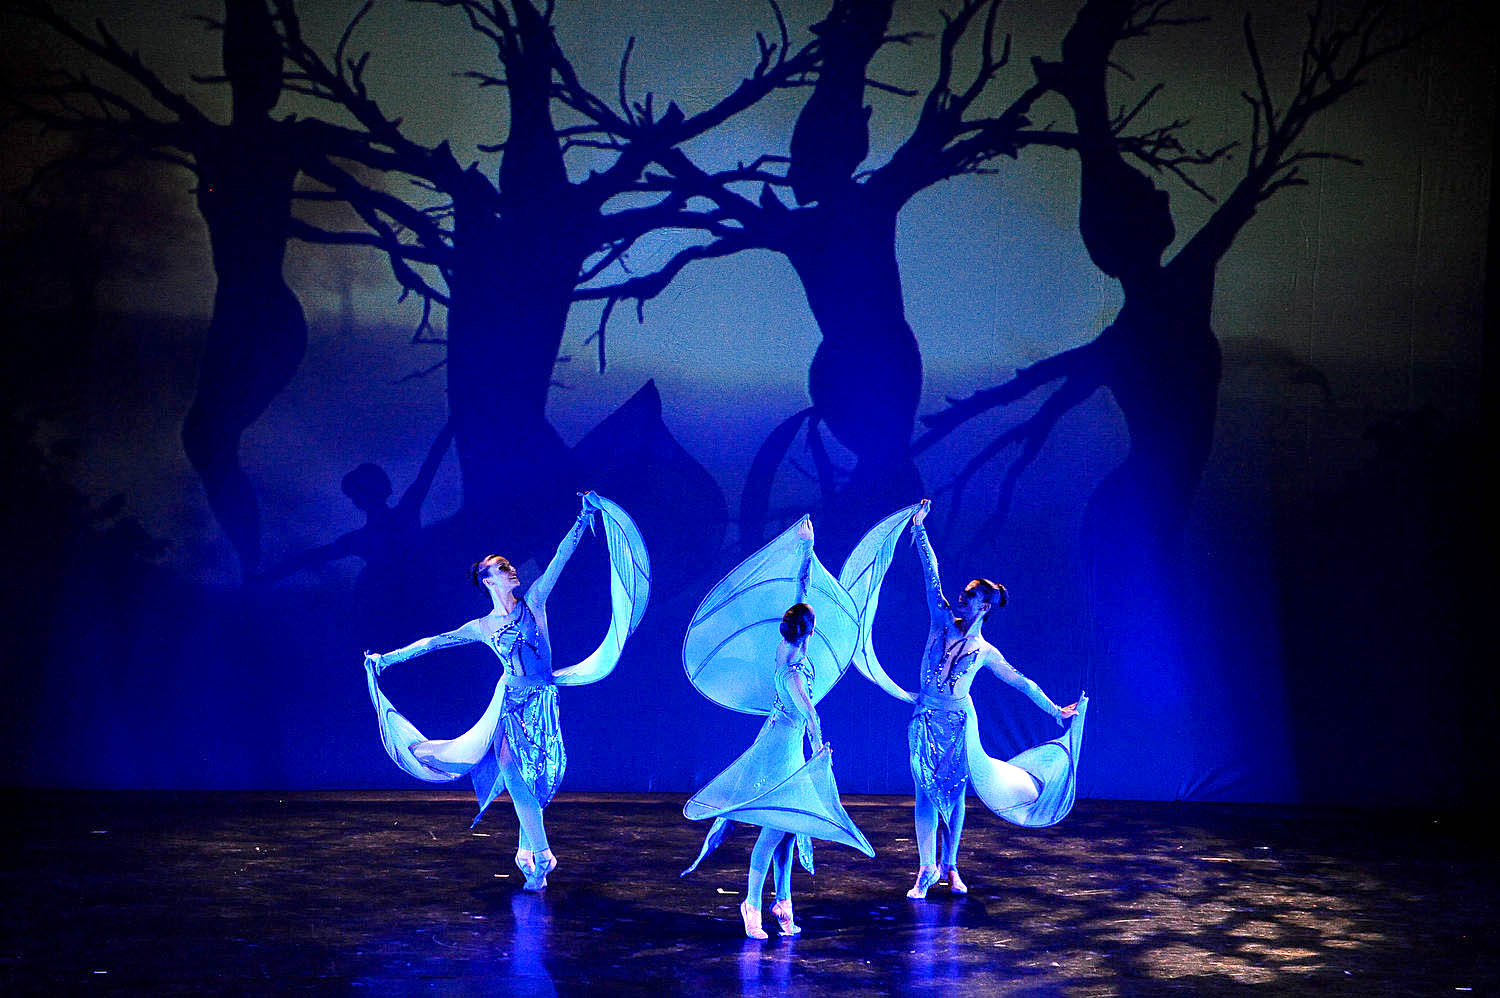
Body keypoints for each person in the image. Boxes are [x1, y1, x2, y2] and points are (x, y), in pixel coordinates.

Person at [363, 492, 602, 891]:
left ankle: (526, 855)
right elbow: (434, 642)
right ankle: (543, 855)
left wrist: (583, 517)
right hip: (509, 703)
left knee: (538, 779)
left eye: (509, 565)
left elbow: (560, 559)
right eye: (502, 568)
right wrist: (386, 659)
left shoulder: (534, 601)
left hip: (543, 702)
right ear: (488, 581)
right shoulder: (482, 627)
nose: (512, 569)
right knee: (511, 768)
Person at [681, 518, 873, 938]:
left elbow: (802, 590)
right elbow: (810, 715)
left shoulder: (786, 643)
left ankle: (783, 903)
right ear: (810, 631)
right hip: (781, 748)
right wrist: (820, 749)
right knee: (774, 830)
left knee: (789, 828)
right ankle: (751, 903)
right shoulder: (792, 671)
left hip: (783, 743)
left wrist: (807, 549)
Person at [904, 499, 1079, 899]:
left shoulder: (985, 651)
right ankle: (926, 867)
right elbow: (931, 575)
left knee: (956, 793)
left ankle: (950, 866)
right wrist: (919, 529)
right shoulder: (941, 619)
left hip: (959, 724)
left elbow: (1022, 682)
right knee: (925, 791)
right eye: (965, 594)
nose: (962, 599)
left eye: (971, 597)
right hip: (925, 719)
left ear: (985, 607)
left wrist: (1055, 710)